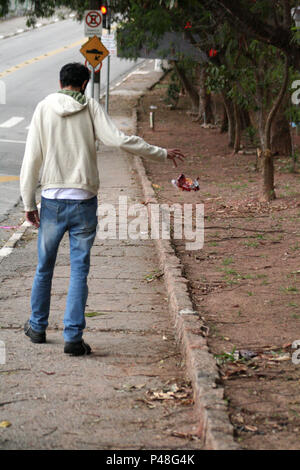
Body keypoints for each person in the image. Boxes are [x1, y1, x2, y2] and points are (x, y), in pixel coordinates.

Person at [20, 62, 185, 356]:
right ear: (84, 84)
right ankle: (73, 336)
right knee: (79, 270)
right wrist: (160, 152)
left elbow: (31, 158)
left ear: (61, 82)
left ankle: (37, 327)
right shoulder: (91, 107)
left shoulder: (44, 107)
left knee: (44, 267)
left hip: (52, 200)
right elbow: (117, 140)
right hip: (83, 199)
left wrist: (28, 203)